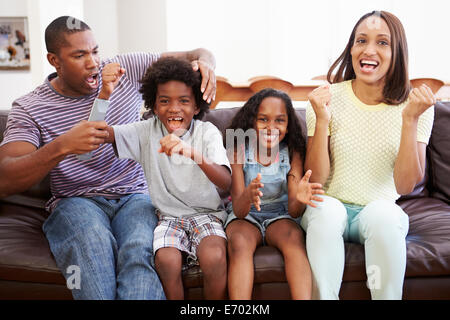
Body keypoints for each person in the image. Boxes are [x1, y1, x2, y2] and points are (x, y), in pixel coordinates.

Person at [0, 16, 217, 300]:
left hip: (136, 195)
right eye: (79, 55)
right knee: (92, 243)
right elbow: (5, 178)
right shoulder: (30, 108)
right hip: (76, 201)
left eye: (95, 51)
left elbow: (196, 53)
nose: (93, 63)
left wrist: (207, 62)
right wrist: (62, 146)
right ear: (54, 60)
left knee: (140, 248)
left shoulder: (125, 69)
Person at [303, 11, 435, 300]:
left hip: (378, 209)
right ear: (351, 48)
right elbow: (317, 180)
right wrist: (322, 119)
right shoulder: (326, 98)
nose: (369, 50)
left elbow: (404, 186)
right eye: (361, 40)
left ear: (397, 52)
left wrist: (409, 120)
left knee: (383, 216)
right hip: (329, 205)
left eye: (382, 43)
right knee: (325, 210)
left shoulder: (415, 106)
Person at [99, 57, 231, 300]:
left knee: (214, 257)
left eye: (184, 101)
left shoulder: (206, 132)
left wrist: (191, 153)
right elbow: (98, 133)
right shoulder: (146, 131)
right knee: (166, 260)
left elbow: (226, 182)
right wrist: (104, 94)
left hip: (208, 214)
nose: (174, 108)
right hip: (168, 217)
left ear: (197, 107)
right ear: (154, 105)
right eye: (164, 101)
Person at [224, 88, 324, 300]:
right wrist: (248, 195)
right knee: (239, 243)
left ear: (288, 126)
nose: (271, 127)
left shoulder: (292, 151)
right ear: (251, 122)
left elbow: (294, 211)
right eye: (263, 119)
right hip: (246, 215)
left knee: (294, 238)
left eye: (279, 120)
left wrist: (300, 199)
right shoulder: (239, 148)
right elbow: (239, 211)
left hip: (280, 214)